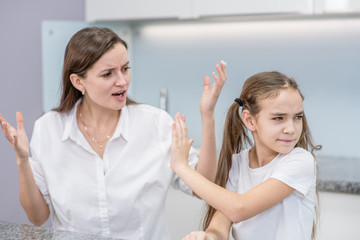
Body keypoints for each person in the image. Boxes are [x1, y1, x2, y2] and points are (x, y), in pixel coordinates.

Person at [0, 27, 227, 239]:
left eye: (125, 69)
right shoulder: (48, 128)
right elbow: (37, 217)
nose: (122, 81)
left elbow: (203, 188)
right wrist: (22, 161)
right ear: (79, 82)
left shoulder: (155, 124)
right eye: (107, 74)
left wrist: (207, 116)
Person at [170, 71, 321, 240]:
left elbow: (238, 208)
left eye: (297, 117)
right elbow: (219, 226)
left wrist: (181, 166)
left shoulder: (301, 161)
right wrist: (207, 237)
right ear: (250, 120)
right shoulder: (238, 163)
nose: (291, 129)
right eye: (279, 118)